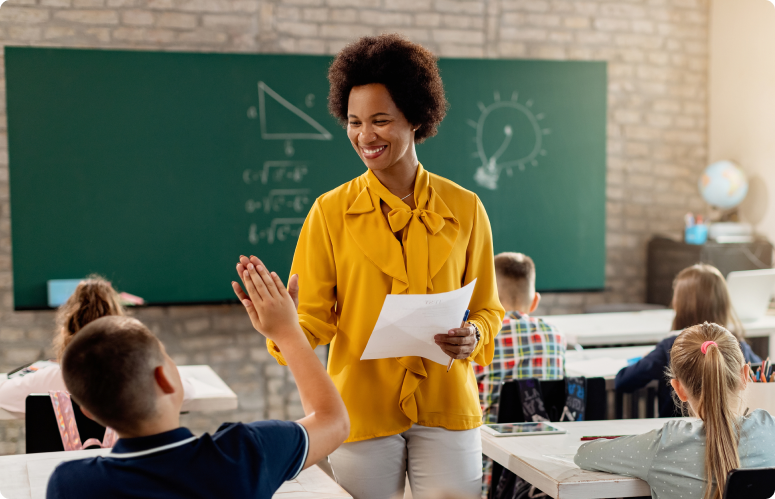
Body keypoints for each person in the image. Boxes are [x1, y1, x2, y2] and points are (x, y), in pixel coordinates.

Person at [235, 33, 504, 499]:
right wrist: (281, 325)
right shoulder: (329, 212)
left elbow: (488, 309)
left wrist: (474, 335)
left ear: (416, 118)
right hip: (359, 408)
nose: (365, 136)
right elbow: (312, 322)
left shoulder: (466, 207)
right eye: (355, 122)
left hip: (446, 401)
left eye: (381, 120)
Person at [47, 264, 349, 499]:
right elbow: (334, 421)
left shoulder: (70, 484)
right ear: (165, 379)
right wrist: (287, 331)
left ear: (86, 410)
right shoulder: (244, 454)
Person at [575, 322, 775, 499]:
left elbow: (584, 455)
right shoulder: (770, 429)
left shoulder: (666, 443)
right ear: (745, 377)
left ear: (678, 389)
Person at [0, 276, 196, 414]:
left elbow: (3, 395)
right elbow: (186, 391)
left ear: (67, 330)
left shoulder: (48, 379)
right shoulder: (139, 376)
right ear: (120, 327)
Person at [473, 252, 565, 497]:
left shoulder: (481, 339)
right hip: (545, 469)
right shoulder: (556, 335)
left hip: (488, 468)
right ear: (535, 302)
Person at [615, 263, 760, 417]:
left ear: (680, 305)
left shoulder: (670, 347)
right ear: (724, 304)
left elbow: (623, 382)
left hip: (675, 437)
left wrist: (646, 359)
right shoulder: (738, 348)